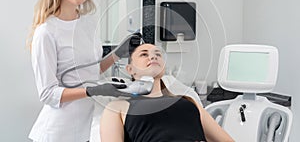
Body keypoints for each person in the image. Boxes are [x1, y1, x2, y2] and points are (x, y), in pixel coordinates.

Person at [27, 0, 140, 142]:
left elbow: (90, 70)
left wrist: (118, 53)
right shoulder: (46, 31)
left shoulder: (87, 24)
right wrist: (93, 90)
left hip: (87, 128)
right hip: (58, 132)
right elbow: (48, 94)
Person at [100, 43, 234, 142]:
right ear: (130, 69)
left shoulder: (188, 102)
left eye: (157, 54)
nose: (152, 57)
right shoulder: (118, 107)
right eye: (144, 54)